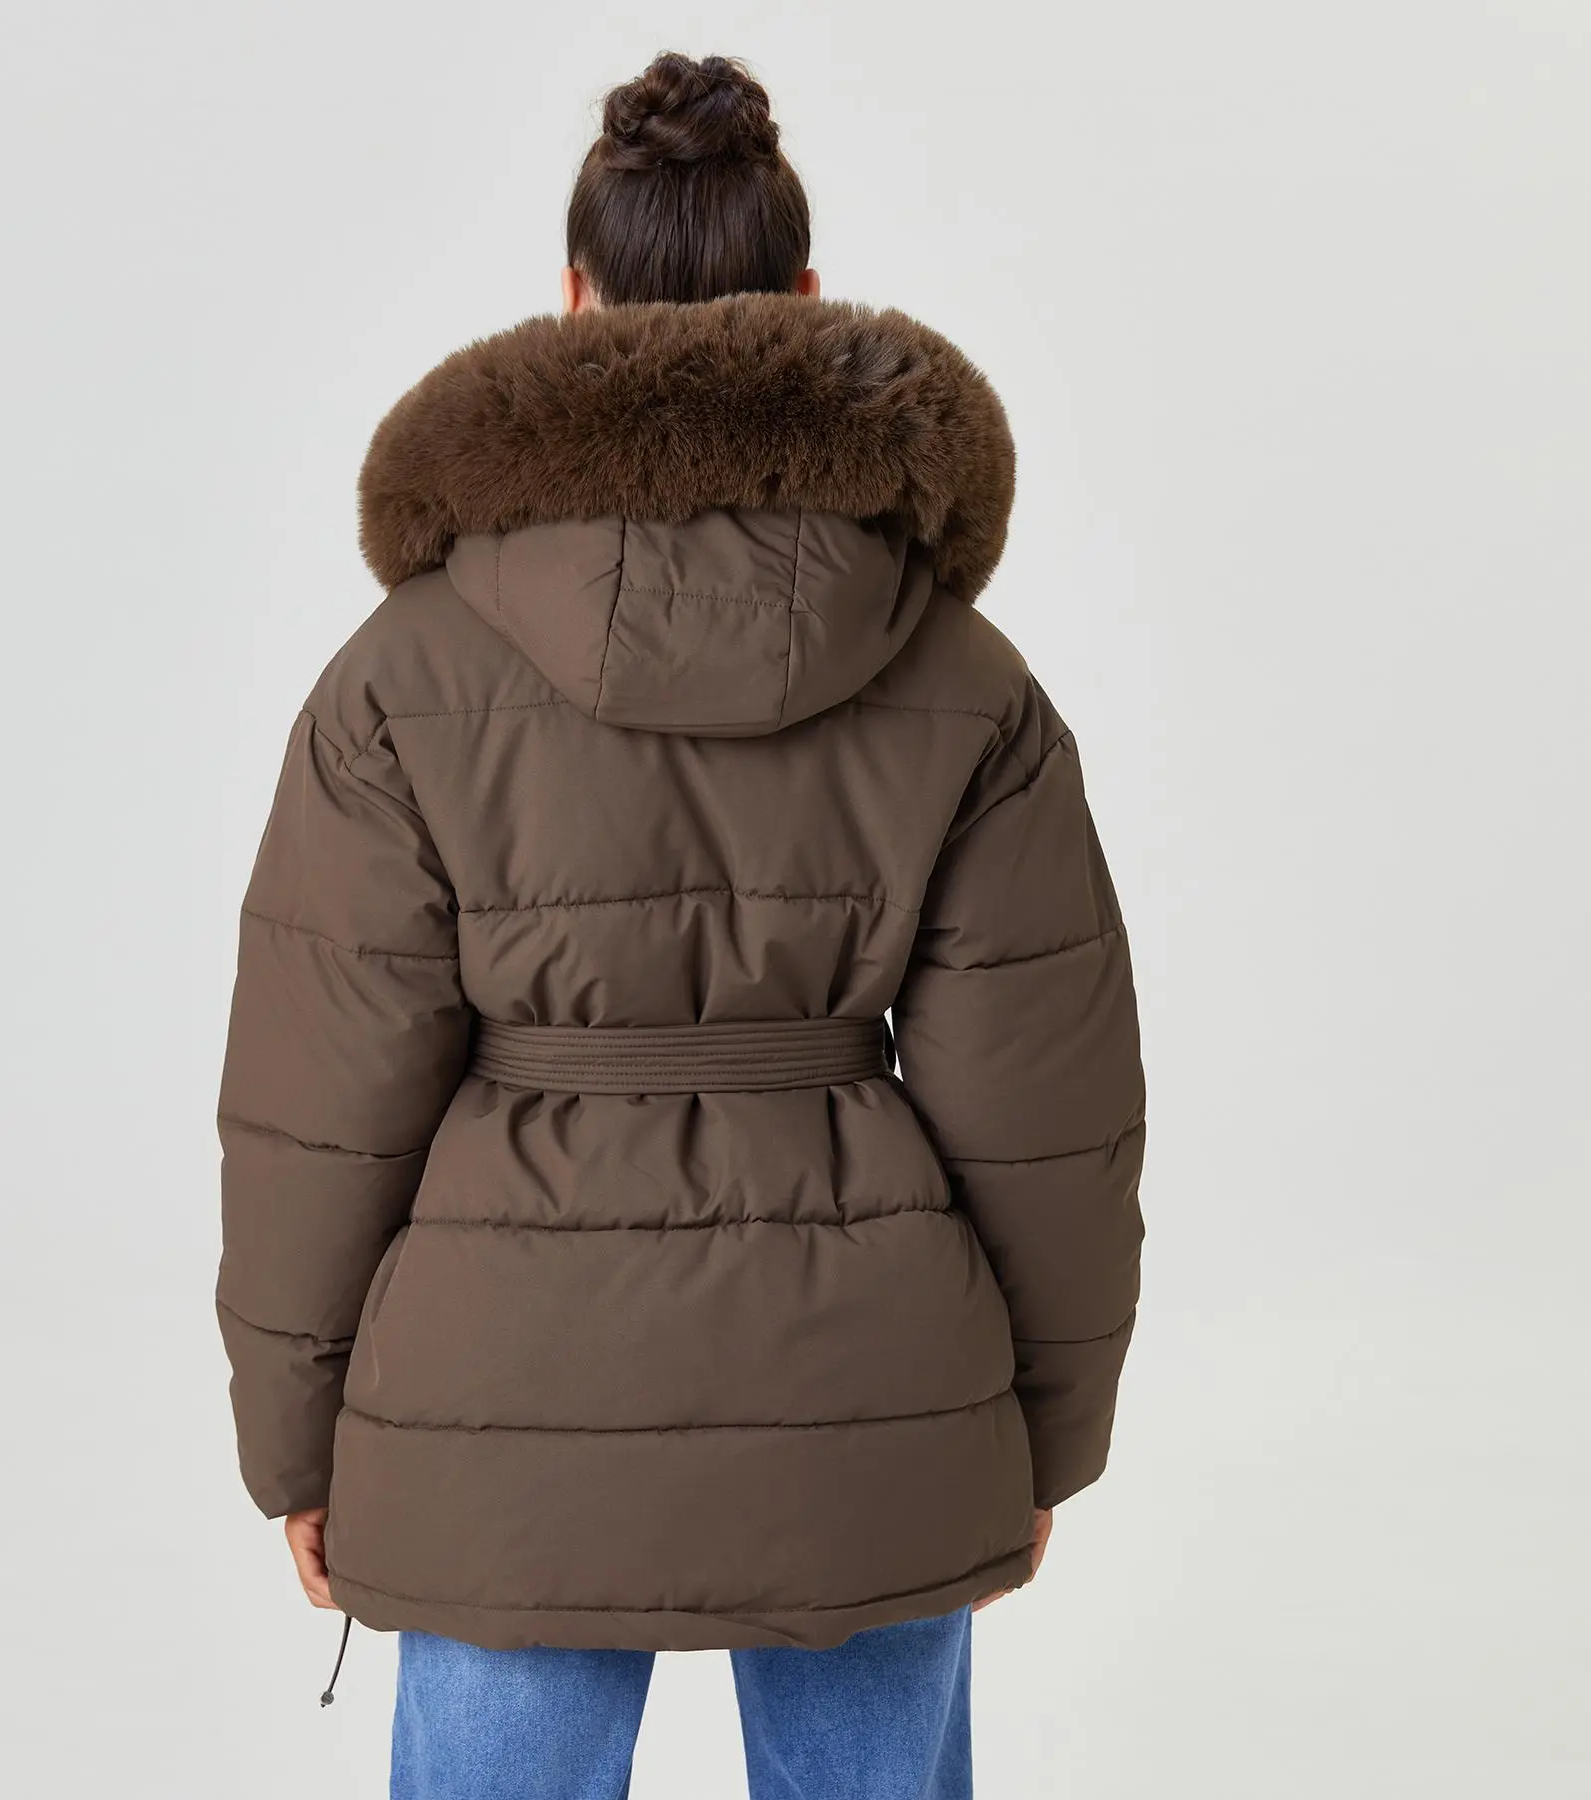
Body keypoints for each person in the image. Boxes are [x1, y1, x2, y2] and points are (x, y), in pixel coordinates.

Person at [216, 50, 1145, 1800]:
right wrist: (1044, 1426)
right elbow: (1051, 1110)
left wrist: (295, 1438)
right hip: (874, 1381)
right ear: (805, 299)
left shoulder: (398, 677)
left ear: (572, 303)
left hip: (502, 1398)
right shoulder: (968, 679)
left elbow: (316, 1111)